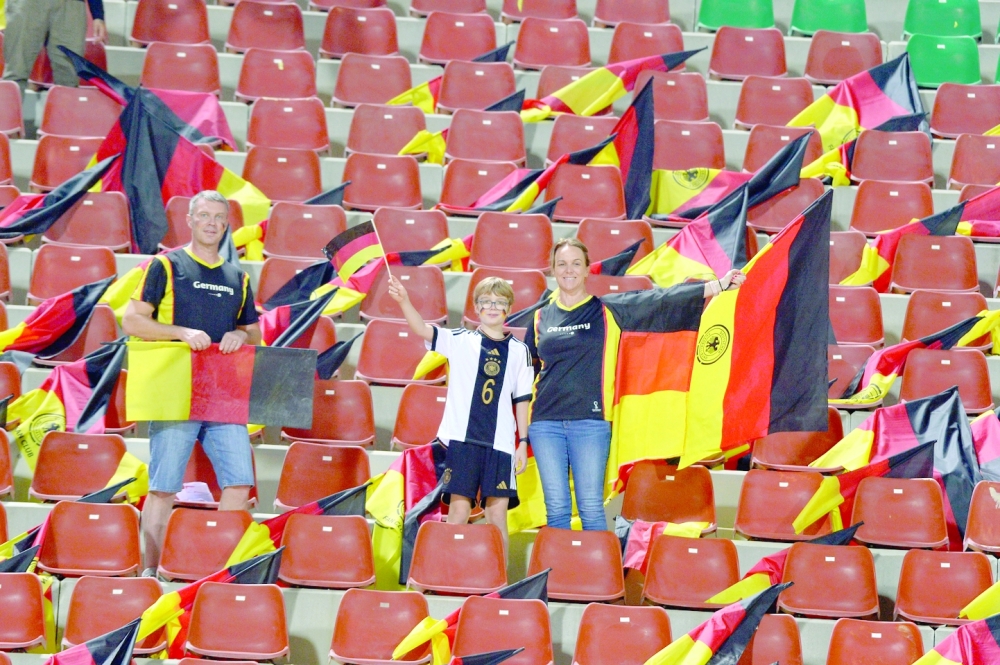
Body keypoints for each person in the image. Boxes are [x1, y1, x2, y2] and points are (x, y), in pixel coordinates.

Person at [525, 238, 746, 531]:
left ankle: (596, 576)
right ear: (552, 269)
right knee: (556, 509)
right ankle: (560, 574)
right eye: (562, 264)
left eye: (576, 263)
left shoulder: (607, 311)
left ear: (588, 269)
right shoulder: (540, 316)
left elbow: (663, 299)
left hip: (591, 423)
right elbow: (527, 368)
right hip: (545, 423)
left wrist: (718, 286)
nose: (569, 270)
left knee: (591, 507)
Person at [122, 191, 262, 576]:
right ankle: (150, 572)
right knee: (164, 487)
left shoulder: (239, 277)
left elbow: (252, 330)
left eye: (218, 216)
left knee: (238, 484)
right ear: (189, 219)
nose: (211, 222)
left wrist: (241, 336)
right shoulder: (165, 266)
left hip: (223, 396)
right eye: (203, 215)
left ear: (226, 224)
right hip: (175, 392)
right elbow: (132, 321)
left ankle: (218, 569)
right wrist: (179, 332)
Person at [388, 273, 534, 556]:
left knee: (497, 517)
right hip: (463, 443)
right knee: (458, 510)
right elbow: (422, 330)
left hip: (501, 446)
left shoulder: (520, 352)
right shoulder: (460, 339)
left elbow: (522, 401)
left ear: (509, 308)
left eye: (499, 302)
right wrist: (405, 301)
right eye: (486, 301)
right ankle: (447, 573)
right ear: (476, 307)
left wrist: (523, 443)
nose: (492, 307)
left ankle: (498, 582)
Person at [3, 0, 108, 94]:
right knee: (16, 71)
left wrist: (98, 13)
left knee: (69, 77)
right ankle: (6, 115)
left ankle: (65, 115)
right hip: (28, 4)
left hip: (71, 5)